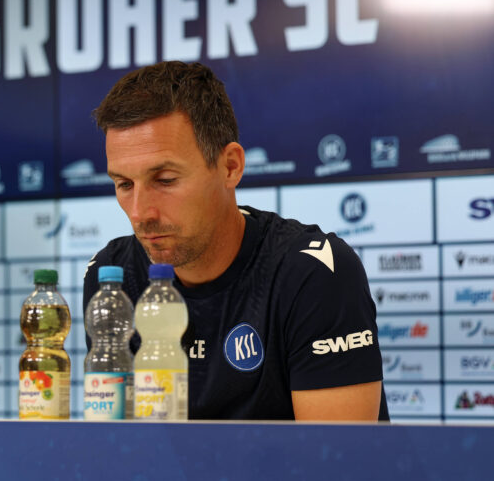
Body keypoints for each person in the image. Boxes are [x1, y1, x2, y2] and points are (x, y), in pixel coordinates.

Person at [83, 61, 388, 421]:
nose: (140, 213)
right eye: (124, 184)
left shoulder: (313, 273)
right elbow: (117, 445)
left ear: (230, 166)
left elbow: (334, 454)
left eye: (164, 180)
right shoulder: (112, 279)